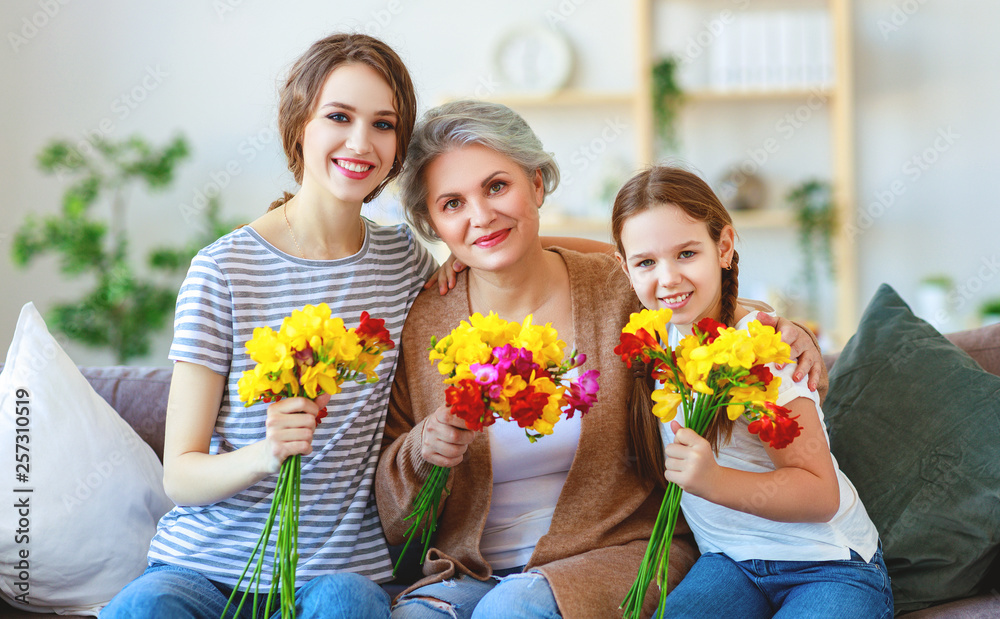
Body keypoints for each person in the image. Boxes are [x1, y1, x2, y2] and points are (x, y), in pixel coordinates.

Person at [374, 100, 826, 619]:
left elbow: (697, 301)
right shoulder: (425, 323)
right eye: (452, 203)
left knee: (513, 611)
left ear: (538, 185)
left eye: (497, 187)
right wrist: (421, 449)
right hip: (468, 571)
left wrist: (773, 323)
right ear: (432, 221)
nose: (480, 216)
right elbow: (393, 514)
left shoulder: (619, 292)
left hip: (618, 554)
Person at [102, 33, 436, 619]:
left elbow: (495, 268)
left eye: (383, 125)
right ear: (298, 124)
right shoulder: (224, 269)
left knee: (350, 605)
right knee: (144, 608)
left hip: (336, 573)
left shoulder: (405, 262)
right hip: (201, 568)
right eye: (339, 116)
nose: (361, 142)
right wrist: (267, 452)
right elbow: (180, 474)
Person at [612, 166, 892, 619]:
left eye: (686, 253)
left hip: (825, 565)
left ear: (723, 247)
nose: (667, 279)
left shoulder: (765, 347)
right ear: (625, 268)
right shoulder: (658, 340)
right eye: (646, 262)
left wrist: (713, 482)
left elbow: (821, 495)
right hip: (730, 563)